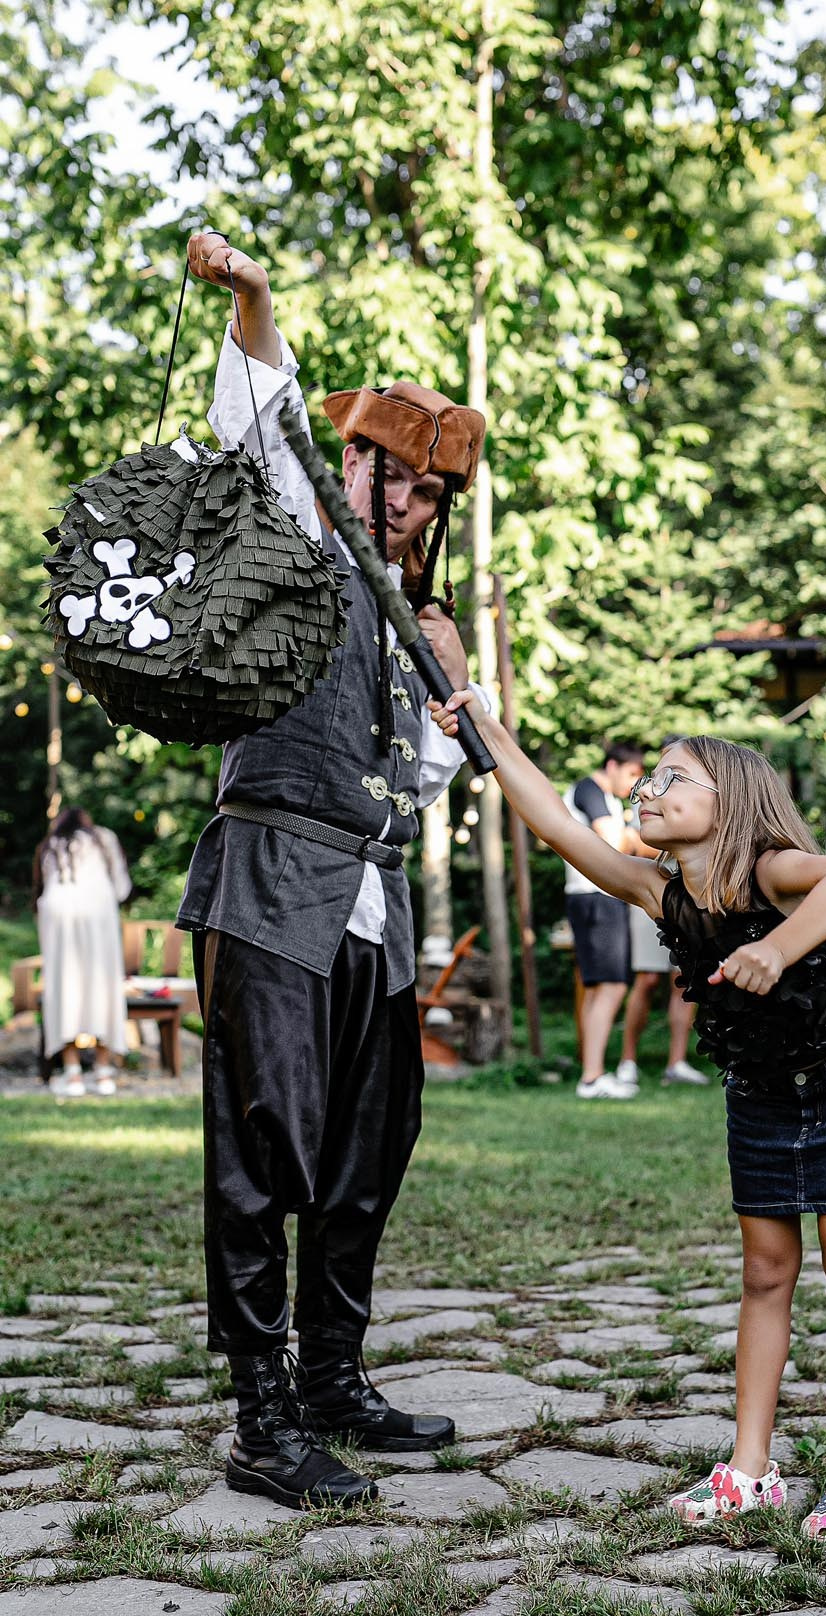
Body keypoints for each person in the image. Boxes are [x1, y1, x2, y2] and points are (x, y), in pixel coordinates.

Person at [431, 692, 826, 1545]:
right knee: (764, 1271)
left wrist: (775, 946)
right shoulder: (658, 889)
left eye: (672, 778)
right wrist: (484, 728)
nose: (648, 788)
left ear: (731, 802)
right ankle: (750, 1467)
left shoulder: (771, 870)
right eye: (647, 776)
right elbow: (556, 825)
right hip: (757, 1088)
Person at [177, 230, 489, 1509]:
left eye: (426, 492)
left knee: (370, 1144)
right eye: (387, 473)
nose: (403, 502)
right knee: (267, 1147)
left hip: (376, 900)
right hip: (269, 877)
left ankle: (330, 1380)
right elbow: (262, 418)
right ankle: (260, 1418)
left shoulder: (423, 624)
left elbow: (432, 775)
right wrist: (254, 299)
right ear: (348, 465)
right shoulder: (292, 540)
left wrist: (454, 681)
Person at [617, 737, 707, 1088]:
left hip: (691, 897)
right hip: (653, 894)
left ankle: (676, 1062)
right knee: (647, 979)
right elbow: (631, 843)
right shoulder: (650, 794)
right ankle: (627, 1060)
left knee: (684, 981)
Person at [564, 742, 644, 1099]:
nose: (633, 784)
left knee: (599, 988)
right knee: (611, 986)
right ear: (612, 766)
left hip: (593, 899)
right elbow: (612, 840)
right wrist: (640, 841)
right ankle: (592, 1076)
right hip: (596, 898)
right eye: (631, 774)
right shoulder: (589, 790)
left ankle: (591, 1072)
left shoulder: (603, 796)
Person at [33, 808, 131, 1099]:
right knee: (103, 988)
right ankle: (103, 1071)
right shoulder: (104, 838)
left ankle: (73, 1071)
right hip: (98, 913)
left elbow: (42, 888)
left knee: (64, 988)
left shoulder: (51, 844)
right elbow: (122, 888)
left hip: (58, 915)